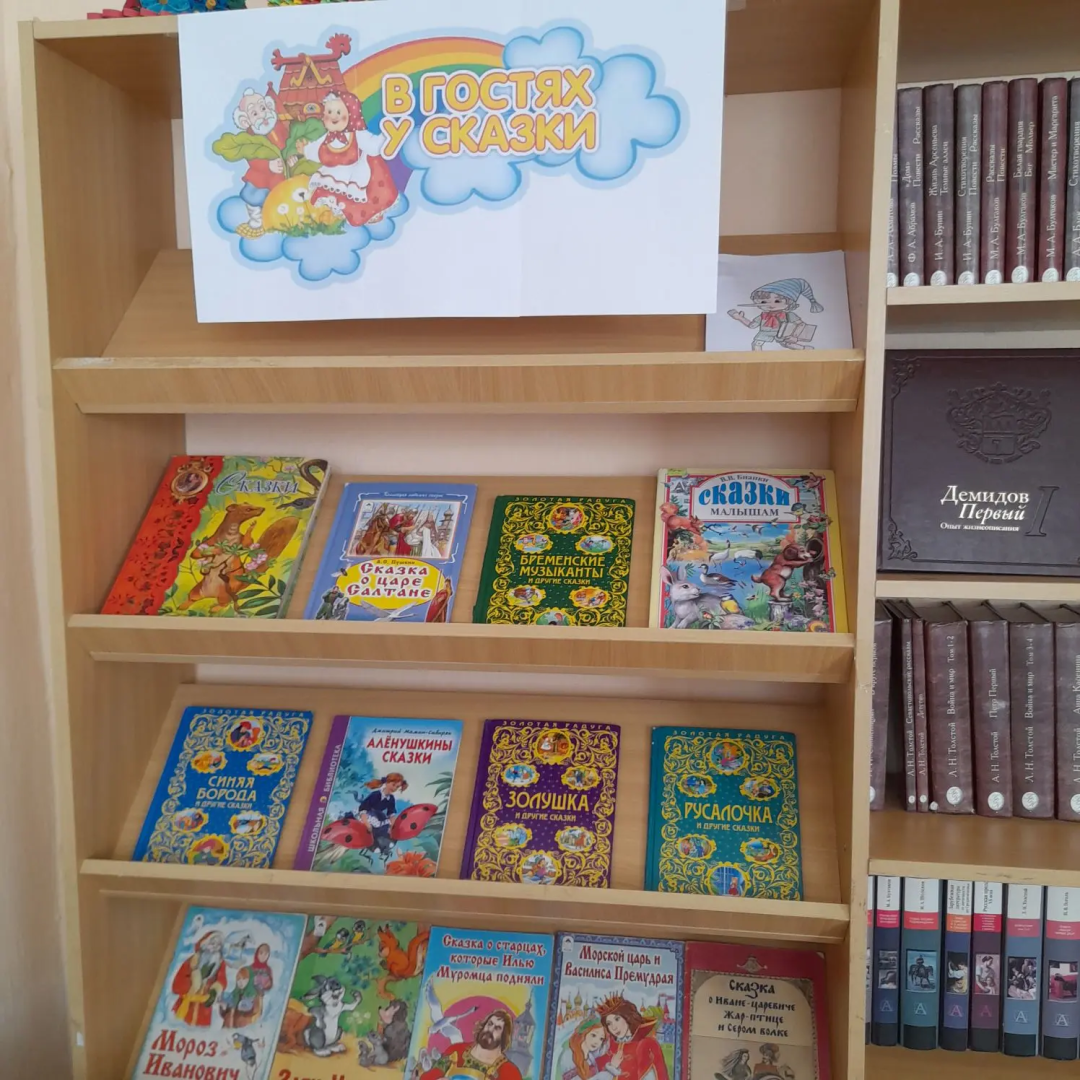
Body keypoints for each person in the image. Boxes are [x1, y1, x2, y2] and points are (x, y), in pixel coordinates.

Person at [299, 90, 399, 228]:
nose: (333, 117)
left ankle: (366, 216)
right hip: (332, 174)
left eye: (338, 112)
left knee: (357, 201)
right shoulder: (327, 137)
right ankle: (334, 218)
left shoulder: (358, 134)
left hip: (353, 175)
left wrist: (386, 136)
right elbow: (316, 149)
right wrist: (305, 150)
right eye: (329, 112)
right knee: (331, 198)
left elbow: (372, 146)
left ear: (352, 114)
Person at [420, 1009, 522, 1080]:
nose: (490, 1030)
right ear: (483, 1026)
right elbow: (428, 1077)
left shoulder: (510, 1072)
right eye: (490, 1024)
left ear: (504, 1037)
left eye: (497, 1028)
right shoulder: (456, 1051)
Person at [726, 278, 823, 351]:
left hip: (783, 333)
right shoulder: (763, 316)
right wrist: (740, 318)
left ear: (789, 302)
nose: (771, 305)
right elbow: (752, 325)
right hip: (765, 333)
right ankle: (758, 359)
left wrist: (795, 337)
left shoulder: (789, 315)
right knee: (756, 344)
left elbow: (801, 324)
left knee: (788, 344)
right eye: (763, 302)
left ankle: (806, 350)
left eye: (777, 301)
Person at [596, 997, 668, 1080]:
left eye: (617, 1019)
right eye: (609, 1023)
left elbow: (660, 1075)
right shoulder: (608, 1047)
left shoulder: (647, 1044)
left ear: (627, 1017)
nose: (614, 1027)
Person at [171, 930, 227, 1026]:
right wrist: (193, 985)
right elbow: (177, 984)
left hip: (204, 1008)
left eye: (218, 945)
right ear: (205, 944)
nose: (215, 947)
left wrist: (214, 991)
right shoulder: (191, 961)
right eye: (212, 943)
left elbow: (222, 980)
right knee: (181, 1026)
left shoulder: (220, 963)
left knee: (200, 1030)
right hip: (186, 1004)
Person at [350, 773, 408, 857]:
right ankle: (372, 846)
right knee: (372, 828)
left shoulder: (391, 799)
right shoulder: (375, 795)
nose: (394, 788)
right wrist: (366, 822)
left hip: (377, 816)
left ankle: (383, 846)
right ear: (387, 782)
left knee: (386, 828)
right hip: (365, 815)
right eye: (393, 785)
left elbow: (391, 813)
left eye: (397, 787)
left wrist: (393, 826)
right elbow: (363, 809)